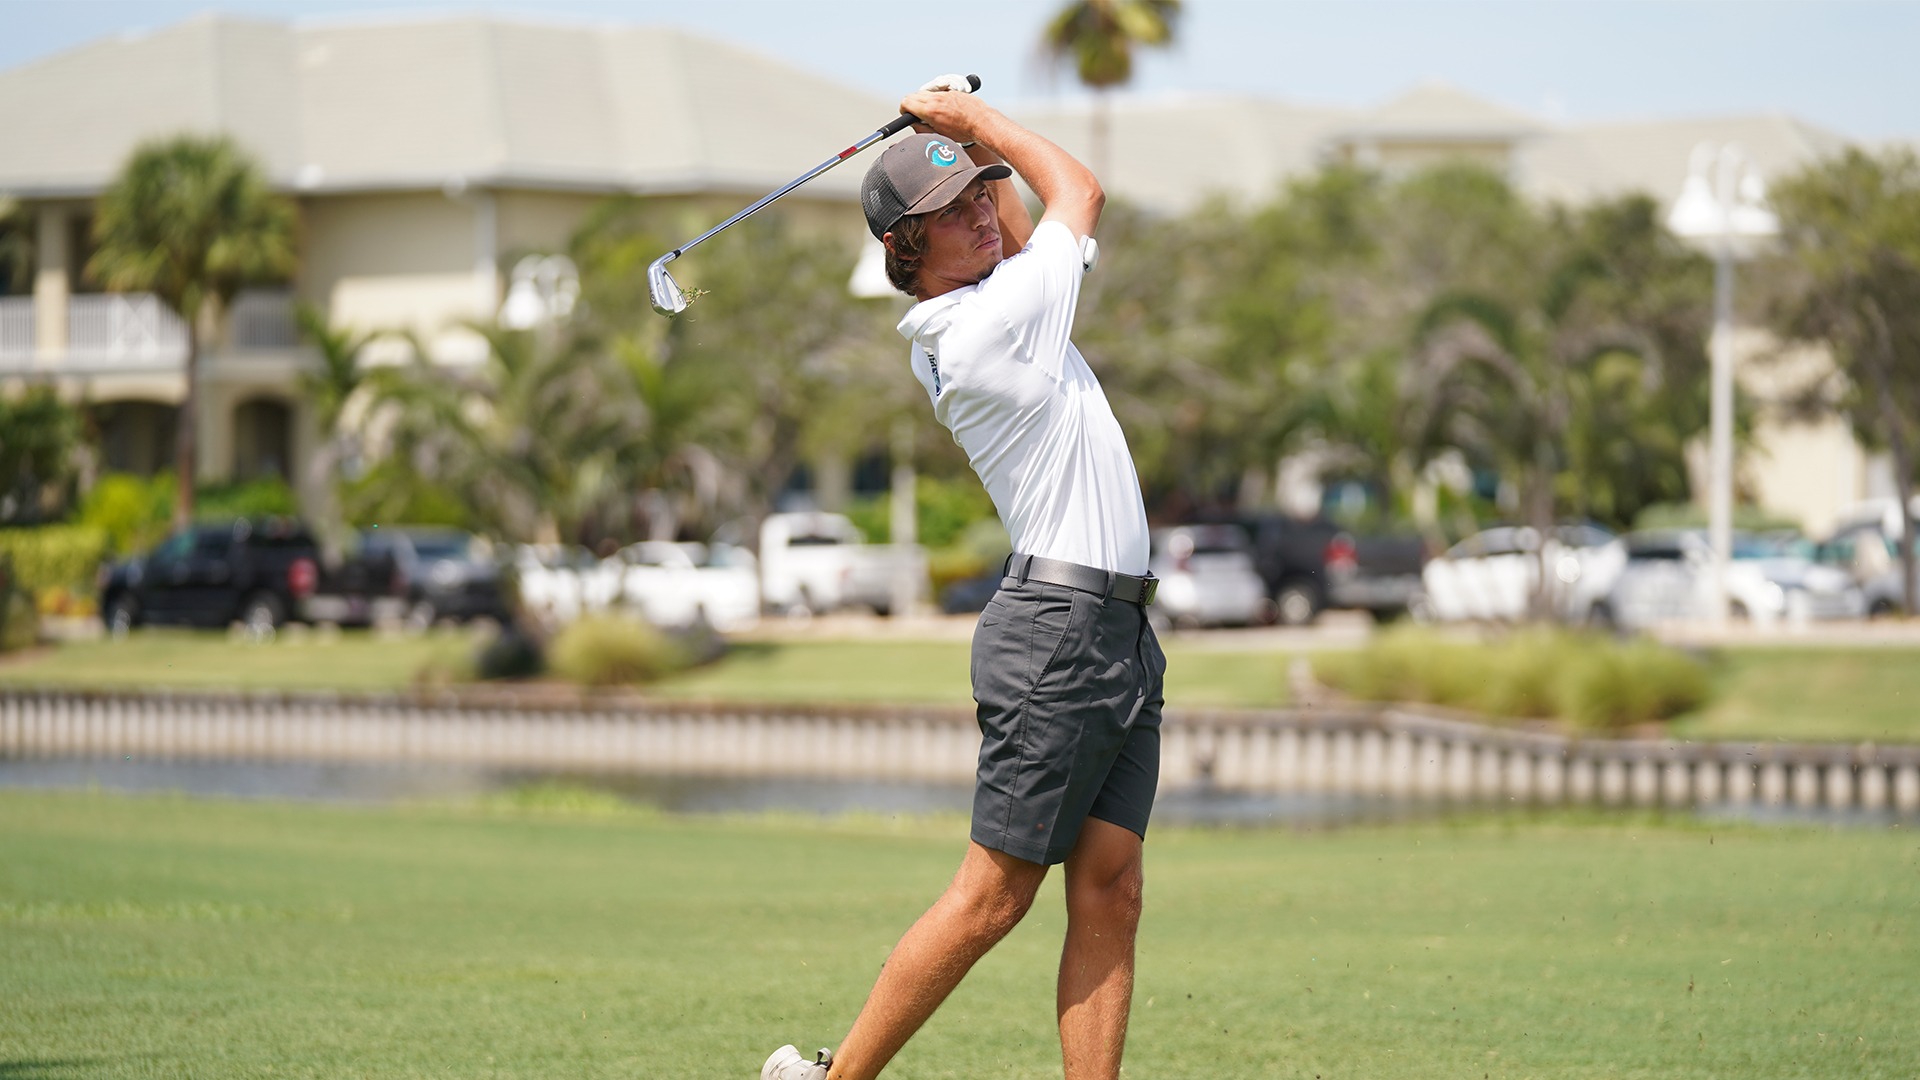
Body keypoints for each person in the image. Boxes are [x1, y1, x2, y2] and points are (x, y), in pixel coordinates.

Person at [760, 77, 1165, 1080]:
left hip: (1114, 630)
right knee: (995, 895)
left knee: (1110, 888)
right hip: (1062, 632)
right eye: (954, 213)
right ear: (904, 250)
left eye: (983, 195)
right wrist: (974, 122)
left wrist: (962, 148)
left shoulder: (1001, 299)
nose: (984, 214)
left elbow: (1027, 228)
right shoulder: (988, 330)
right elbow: (1078, 191)